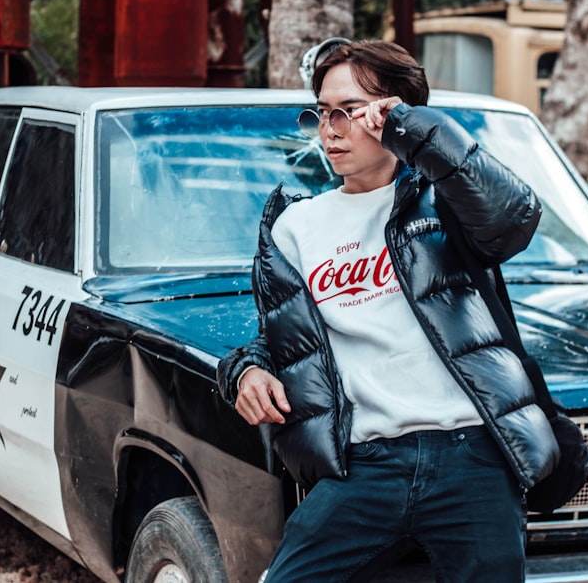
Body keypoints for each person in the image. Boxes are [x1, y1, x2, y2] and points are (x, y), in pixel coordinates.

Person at [217, 39, 559, 582]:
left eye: (350, 111)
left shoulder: (447, 202)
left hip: (470, 456)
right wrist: (245, 370)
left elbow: (513, 216)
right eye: (322, 113)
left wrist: (414, 129)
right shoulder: (296, 226)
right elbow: (288, 337)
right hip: (363, 463)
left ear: (393, 112)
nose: (331, 129)